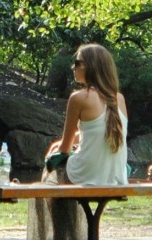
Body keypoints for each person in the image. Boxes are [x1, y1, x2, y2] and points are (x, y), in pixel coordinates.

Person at [47, 43, 128, 185]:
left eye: (78, 63)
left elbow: (64, 149)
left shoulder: (79, 98)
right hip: (117, 178)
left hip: (85, 176)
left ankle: (46, 206)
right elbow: (98, 131)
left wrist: (55, 150)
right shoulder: (119, 98)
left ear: (91, 66)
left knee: (51, 162)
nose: (73, 67)